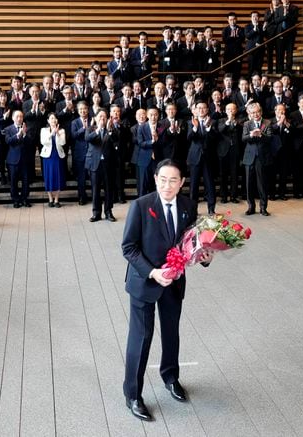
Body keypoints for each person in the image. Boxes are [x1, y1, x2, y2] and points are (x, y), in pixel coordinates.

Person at [122, 159, 199, 421]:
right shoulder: (141, 206)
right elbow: (128, 247)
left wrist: (206, 255)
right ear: (155, 179)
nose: (167, 185)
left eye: (173, 180)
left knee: (171, 333)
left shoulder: (189, 206)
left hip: (174, 282)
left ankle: (170, 377)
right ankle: (133, 394)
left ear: (182, 183)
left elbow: (192, 245)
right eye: (163, 179)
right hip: (145, 282)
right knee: (141, 339)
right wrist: (153, 272)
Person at [85, 109, 117, 222]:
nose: (102, 119)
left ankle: (108, 212)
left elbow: (116, 141)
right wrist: (98, 130)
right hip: (95, 163)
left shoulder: (111, 130)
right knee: (95, 189)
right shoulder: (91, 129)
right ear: (95, 118)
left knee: (109, 189)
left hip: (108, 164)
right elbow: (88, 139)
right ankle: (96, 213)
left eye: (104, 117)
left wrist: (110, 130)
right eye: (100, 117)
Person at [242, 102, 273, 216]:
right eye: (253, 112)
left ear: (261, 112)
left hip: (262, 157)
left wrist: (260, 134)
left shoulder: (267, 123)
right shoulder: (247, 124)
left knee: (262, 183)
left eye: (257, 112)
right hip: (249, 157)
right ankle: (251, 207)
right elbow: (244, 138)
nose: (255, 114)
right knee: (249, 184)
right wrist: (251, 135)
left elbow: (270, 139)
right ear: (250, 113)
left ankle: (263, 207)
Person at [4, 110, 33, 208]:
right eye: (17, 116)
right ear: (13, 118)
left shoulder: (27, 129)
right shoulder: (8, 129)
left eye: (21, 116)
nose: (19, 118)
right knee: (13, 181)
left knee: (26, 181)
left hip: (25, 159)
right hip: (13, 159)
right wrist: (18, 135)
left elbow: (30, 142)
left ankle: (25, 199)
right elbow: (8, 141)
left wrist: (24, 134)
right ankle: (15, 200)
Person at [40, 113, 66, 207]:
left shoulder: (62, 130)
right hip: (48, 156)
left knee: (58, 176)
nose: (53, 120)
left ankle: (56, 199)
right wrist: (52, 133)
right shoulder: (44, 130)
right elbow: (43, 142)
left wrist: (58, 133)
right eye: (51, 118)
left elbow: (63, 143)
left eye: (55, 118)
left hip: (58, 156)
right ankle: (50, 198)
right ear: (48, 120)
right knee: (48, 177)